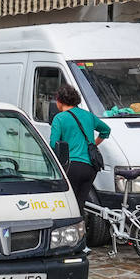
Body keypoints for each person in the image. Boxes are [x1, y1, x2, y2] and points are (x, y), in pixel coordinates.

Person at [49, 84, 110, 212]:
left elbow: (54, 145)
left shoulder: (59, 118)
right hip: (90, 168)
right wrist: (93, 143)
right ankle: (81, 230)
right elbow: (106, 130)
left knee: (67, 207)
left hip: (71, 167)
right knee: (79, 205)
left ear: (59, 101)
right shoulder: (88, 115)